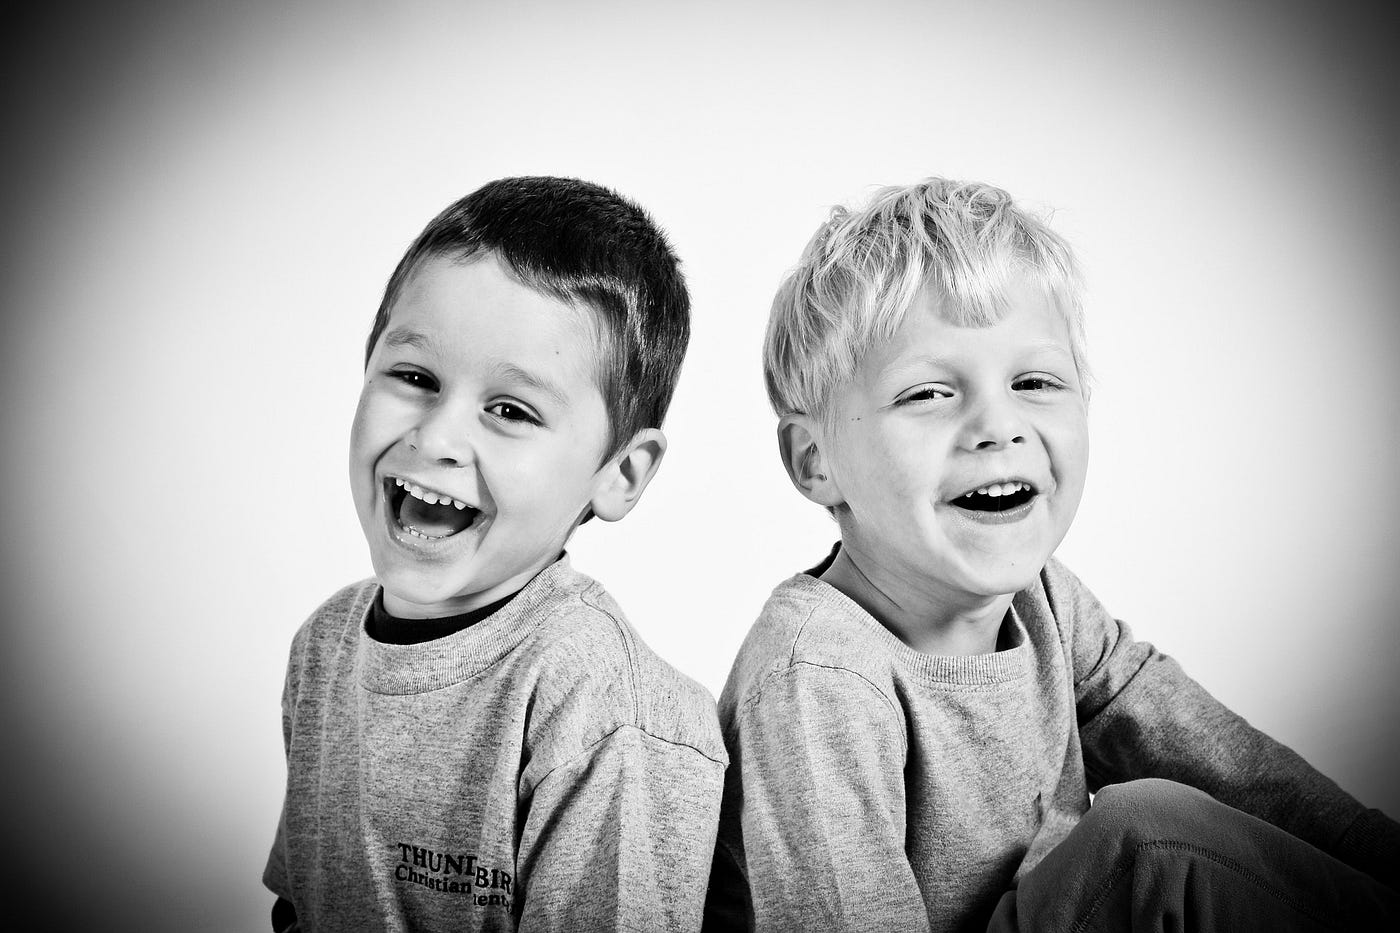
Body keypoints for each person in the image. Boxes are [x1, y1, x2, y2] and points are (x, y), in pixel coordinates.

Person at [704, 177, 1400, 932]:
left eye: (1034, 381)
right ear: (815, 460)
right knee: (1146, 848)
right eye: (928, 394)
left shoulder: (1046, 603)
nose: (998, 426)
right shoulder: (816, 681)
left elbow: (1227, 767)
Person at [264, 176, 726, 932]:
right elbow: (300, 906)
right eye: (415, 377)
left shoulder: (605, 712)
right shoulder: (323, 648)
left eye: (510, 410)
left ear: (620, 473)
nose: (437, 438)